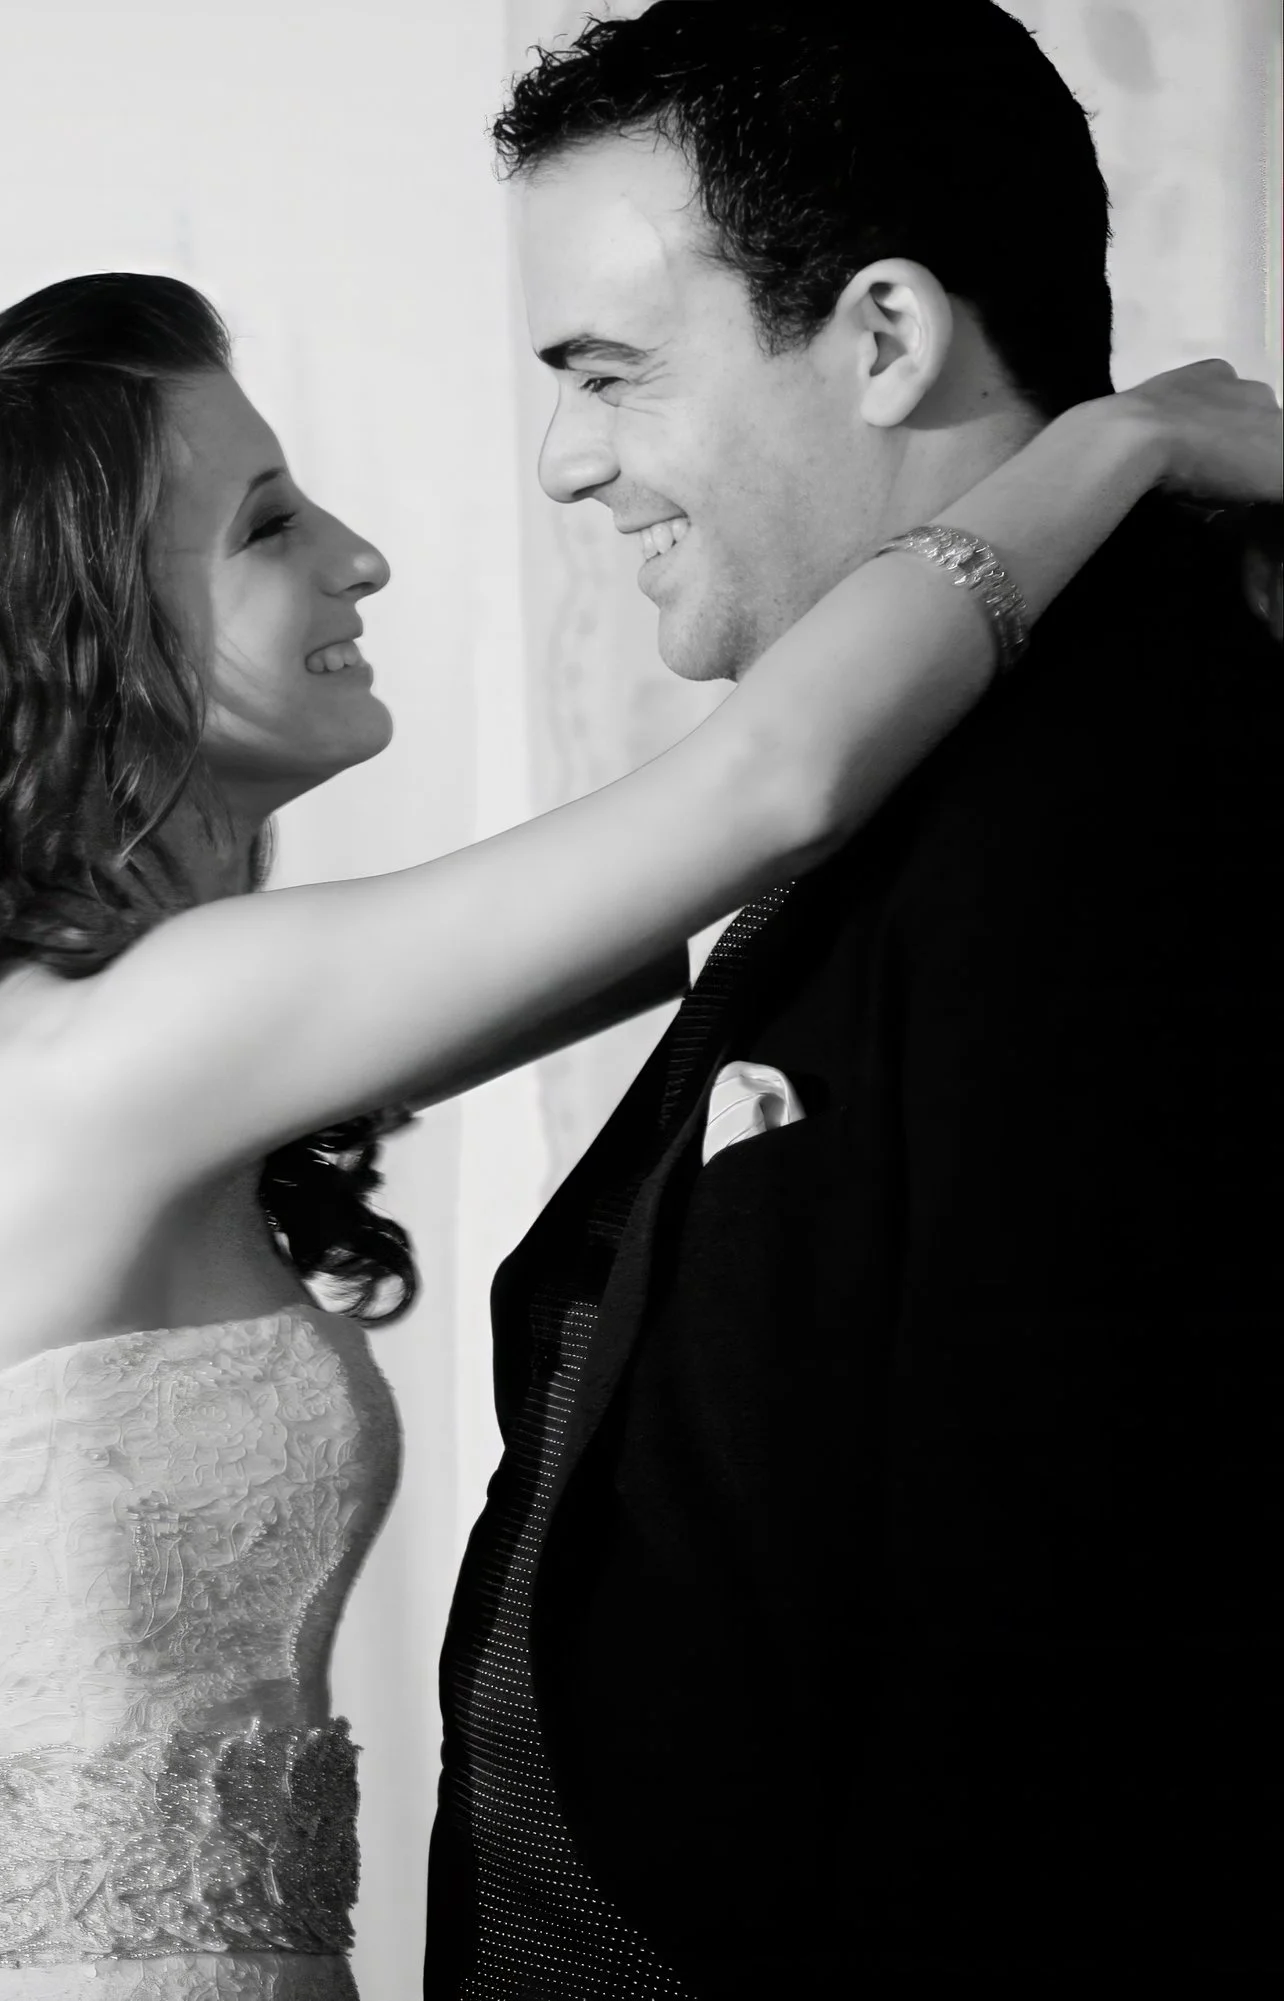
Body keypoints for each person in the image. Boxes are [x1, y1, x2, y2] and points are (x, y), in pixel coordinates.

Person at [0, 270, 1275, 1997]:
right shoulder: (124, 1043)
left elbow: (663, 921)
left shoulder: (60, 1039)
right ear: (73, 627)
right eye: (269, 525)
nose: (357, 559)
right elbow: (768, 790)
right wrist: (1122, 443)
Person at [429, 5, 1284, 1994]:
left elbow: (1085, 1665)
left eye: (606, 373)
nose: (564, 464)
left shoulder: (1135, 803)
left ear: (882, 336)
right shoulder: (928, 777)